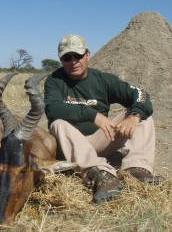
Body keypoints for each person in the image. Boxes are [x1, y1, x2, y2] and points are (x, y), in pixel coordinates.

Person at [44, 34, 162, 204]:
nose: (73, 61)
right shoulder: (54, 81)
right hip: (70, 145)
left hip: (101, 138)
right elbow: (52, 108)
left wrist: (134, 115)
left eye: (78, 55)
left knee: (143, 117)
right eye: (67, 57)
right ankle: (102, 176)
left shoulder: (104, 79)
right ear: (61, 60)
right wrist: (93, 115)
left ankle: (137, 170)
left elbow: (140, 94)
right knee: (58, 124)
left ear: (87, 55)